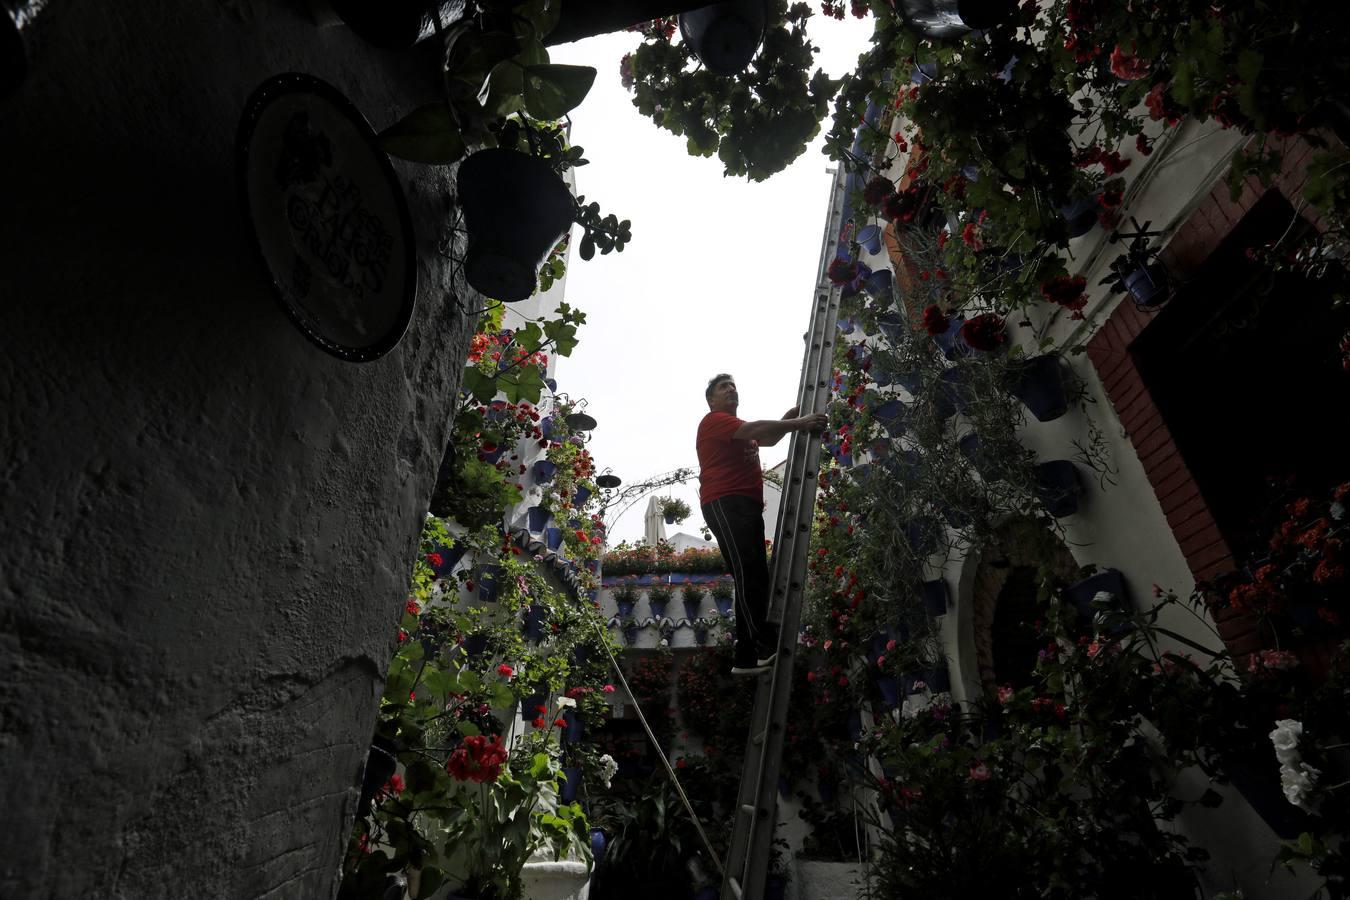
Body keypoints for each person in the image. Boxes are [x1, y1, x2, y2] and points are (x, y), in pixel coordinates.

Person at [696, 374, 828, 675]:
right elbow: (755, 429)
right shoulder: (713, 420)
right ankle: (758, 645)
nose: (731, 389)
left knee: (755, 573)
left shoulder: (737, 429)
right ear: (711, 400)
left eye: (733, 386)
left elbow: (766, 438)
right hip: (725, 502)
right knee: (749, 572)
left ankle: (747, 657)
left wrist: (790, 417)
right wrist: (800, 422)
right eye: (723, 387)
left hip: (744, 506)